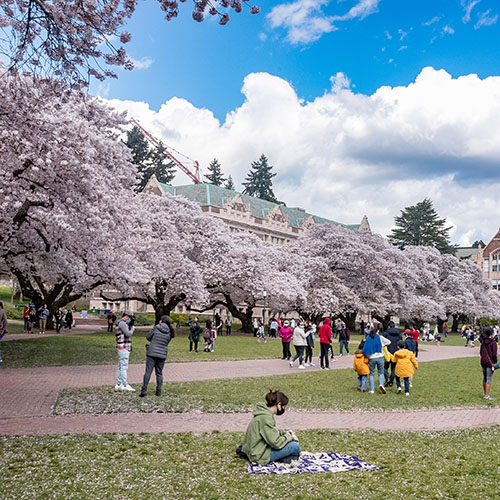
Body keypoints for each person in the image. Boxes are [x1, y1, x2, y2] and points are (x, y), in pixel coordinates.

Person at [240, 390, 300, 465]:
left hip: (255, 450)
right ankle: (286, 459)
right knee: (295, 447)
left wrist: (284, 433)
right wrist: (289, 437)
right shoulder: (266, 418)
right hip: (259, 455)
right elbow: (276, 443)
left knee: (290, 445)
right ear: (279, 405)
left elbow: (269, 432)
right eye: (283, 407)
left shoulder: (262, 413)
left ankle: (286, 458)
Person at [139, 315, 174, 397]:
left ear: (161, 321)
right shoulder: (170, 331)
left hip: (151, 352)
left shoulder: (156, 328)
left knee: (148, 372)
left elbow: (148, 337)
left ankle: (144, 390)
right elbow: (166, 342)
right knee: (159, 373)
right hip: (162, 354)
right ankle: (158, 391)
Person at [363, 328, 390, 394]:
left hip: (372, 357)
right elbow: (389, 342)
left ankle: (372, 389)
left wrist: (368, 355)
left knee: (372, 373)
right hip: (380, 356)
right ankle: (381, 384)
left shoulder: (368, 338)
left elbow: (365, 348)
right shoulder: (380, 337)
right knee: (381, 372)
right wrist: (384, 345)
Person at [114, 310, 136, 391]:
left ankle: (118, 384)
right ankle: (125, 384)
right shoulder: (122, 323)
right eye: (129, 318)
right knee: (123, 367)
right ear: (126, 316)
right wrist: (132, 329)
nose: (129, 320)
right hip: (124, 347)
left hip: (121, 347)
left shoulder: (120, 323)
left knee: (120, 366)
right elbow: (128, 334)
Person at [480, 328, 498, 401]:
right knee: (489, 379)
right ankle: (486, 396)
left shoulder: (483, 342)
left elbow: (481, 352)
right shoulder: (493, 343)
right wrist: (495, 361)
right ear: (491, 334)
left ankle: (485, 393)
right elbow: (494, 354)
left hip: (483, 361)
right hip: (490, 362)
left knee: (485, 378)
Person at [383, 321, 402, 387]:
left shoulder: (385, 334)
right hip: (395, 353)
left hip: (387, 352)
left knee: (385, 367)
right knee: (393, 368)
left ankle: (387, 378)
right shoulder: (398, 334)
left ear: (388, 326)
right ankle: (391, 381)